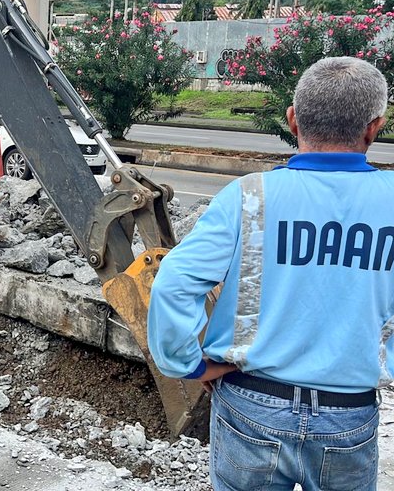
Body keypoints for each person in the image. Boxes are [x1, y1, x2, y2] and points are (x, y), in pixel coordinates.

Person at [148, 56, 392, 491]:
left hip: (252, 403)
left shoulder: (248, 196)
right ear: (376, 126)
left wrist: (189, 365)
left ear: (293, 119)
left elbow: (174, 282)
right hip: (348, 412)